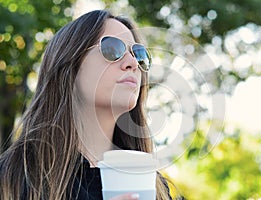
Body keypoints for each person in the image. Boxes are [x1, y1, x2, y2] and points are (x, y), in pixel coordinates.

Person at [0, 10, 172, 200]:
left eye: (139, 55)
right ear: (70, 66)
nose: (132, 63)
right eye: (113, 49)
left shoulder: (156, 187)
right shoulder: (12, 178)